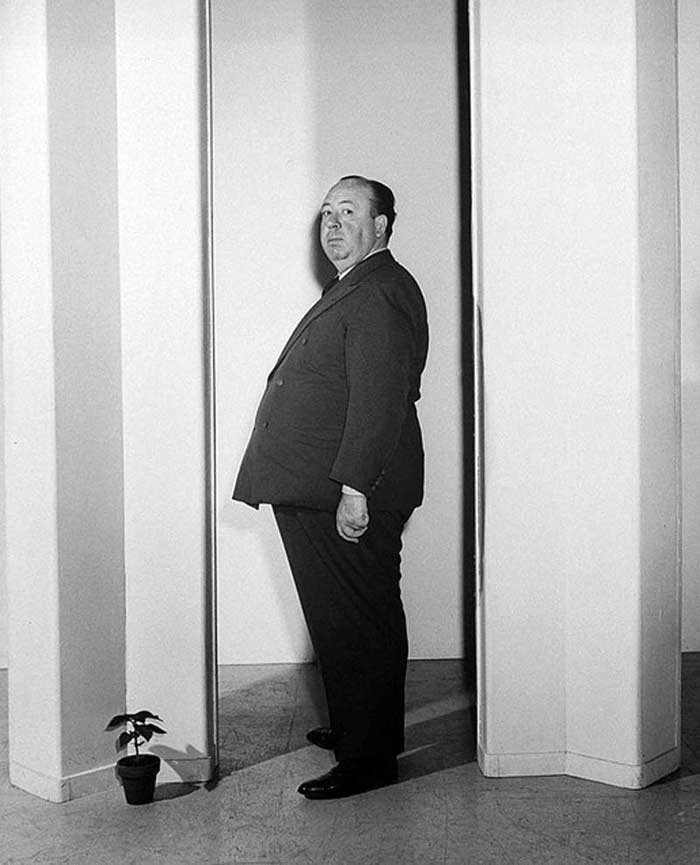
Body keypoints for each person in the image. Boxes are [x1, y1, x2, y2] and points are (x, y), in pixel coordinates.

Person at [233, 175, 428, 799]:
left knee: (356, 621)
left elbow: (379, 399)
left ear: (381, 225)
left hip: (342, 491)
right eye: (326, 214)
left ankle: (368, 758)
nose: (334, 225)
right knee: (343, 619)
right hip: (320, 488)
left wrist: (355, 488)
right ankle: (360, 728)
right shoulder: (358, 286)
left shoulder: (380, 292)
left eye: (348, 211)